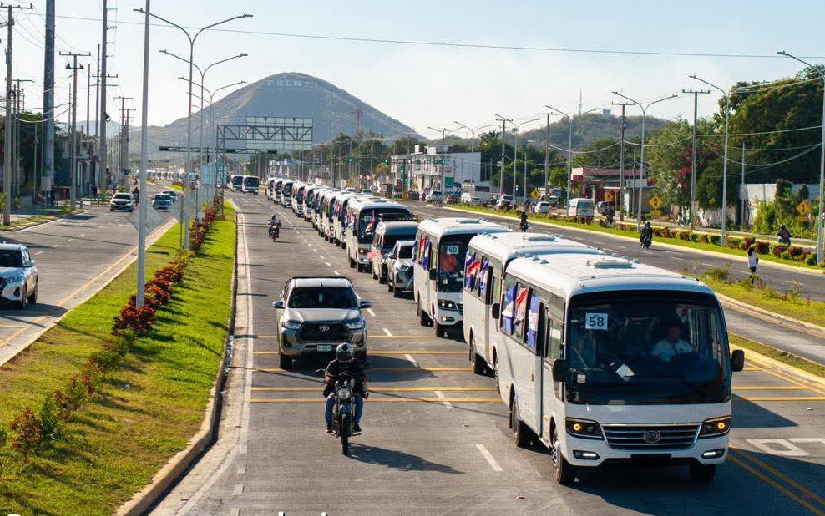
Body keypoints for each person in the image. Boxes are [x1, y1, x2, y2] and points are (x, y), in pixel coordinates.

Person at [324, 343, 367, 433]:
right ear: (338, 355)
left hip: (353, 388)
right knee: (329, 400)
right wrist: (327, 377)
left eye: (346, 355)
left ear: (351, 354)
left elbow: (363, 373)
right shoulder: (333, 363)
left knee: (359, 399)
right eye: (342, 355)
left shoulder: (356, 363)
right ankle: (329, 424)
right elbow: (327, 372)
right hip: (336, 388)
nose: (344, 357)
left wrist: (363, 377)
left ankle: (356, 423)